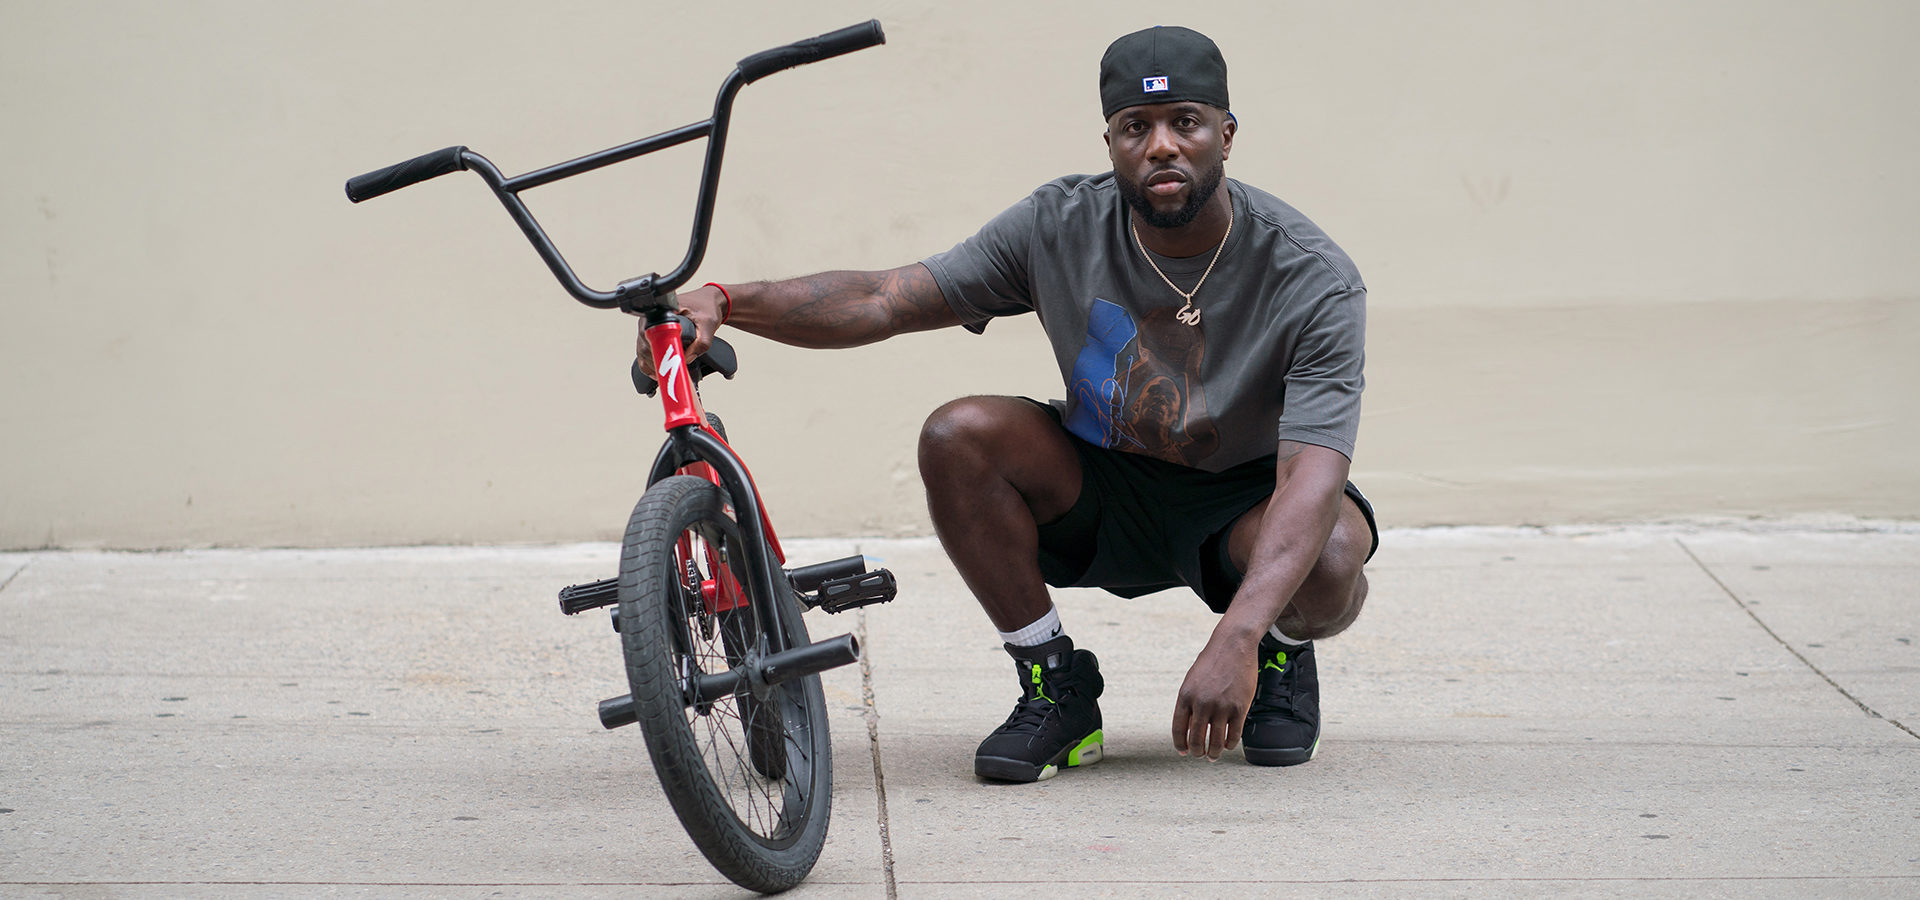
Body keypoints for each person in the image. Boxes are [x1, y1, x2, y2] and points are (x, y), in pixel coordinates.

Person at [638, 25, 1376, 782]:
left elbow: (1313, 476)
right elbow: (885, 298)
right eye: (1135, 127)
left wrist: (1241, 635)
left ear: (1225, 133)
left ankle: (1282, 654)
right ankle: (1053, 685)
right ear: (1111, 142)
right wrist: (725, 300)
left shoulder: (1311, 276)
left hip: (1243, 503)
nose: (1160, 146)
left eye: (1184, 122)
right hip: (1103, 484)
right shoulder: (1058, 226)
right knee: (959, 435)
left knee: (1332, 555)